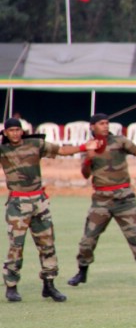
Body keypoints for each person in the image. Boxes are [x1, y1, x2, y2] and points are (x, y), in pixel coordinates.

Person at [67, 113, 136, 289]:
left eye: (107, 123)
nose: (106, 126)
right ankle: (82, 272)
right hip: (101, 200)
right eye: (101, 124)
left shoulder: (120, 141)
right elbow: (85, 174)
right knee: (88, 239)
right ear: (92, 127)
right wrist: (89, 157)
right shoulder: (89, 147)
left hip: (124, 198)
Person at [2, 118, 96, 302]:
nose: (14, 133)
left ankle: (49, 284)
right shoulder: (3, 150)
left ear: (22, 131)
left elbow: (61, 150)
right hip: (18, 203)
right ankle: (11, 286)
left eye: (17, 130)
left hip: (39, 201)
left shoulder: (36, 144)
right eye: (10, 130)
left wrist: (84, 147)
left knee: (47, 244)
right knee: (16, 246)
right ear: (5, 133)